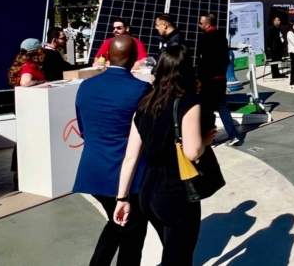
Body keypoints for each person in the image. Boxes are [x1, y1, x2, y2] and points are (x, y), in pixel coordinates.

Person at [113, 46, 216, 266]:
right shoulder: (188, 102)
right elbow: (192, 151)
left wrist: (122, 199)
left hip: (148, 190)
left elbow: (131, 156)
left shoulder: (145, 102)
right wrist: (205, 142)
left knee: (171, 250)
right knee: (178, 257)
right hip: (176, 190)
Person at [73, 35, 150, 266]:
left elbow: (83, 128)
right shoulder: (142, 89)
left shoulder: (86, 86)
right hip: (127, 176)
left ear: (107, 57)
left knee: (117, 223)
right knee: (132, 235)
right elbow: (148, 134)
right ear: (135, 59)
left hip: (93, 169)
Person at [198, 13, 243, 146]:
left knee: (206, 108)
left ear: (207, 24)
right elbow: (224, 58)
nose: (199, 25)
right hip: (221, 78)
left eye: (201, 23)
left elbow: (203, 61)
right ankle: (233, 135)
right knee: (222, 106)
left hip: (209, 78)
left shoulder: (205, 38)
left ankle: (208, 138)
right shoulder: (221, 37)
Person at [7, 38, 46, 190]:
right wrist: (39, 82)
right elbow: (25, 82)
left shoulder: (19, 63)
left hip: (23, 105)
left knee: (22, 139)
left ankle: (18, 171)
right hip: (31, 107)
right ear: (36, 50)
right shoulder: (30, 65)